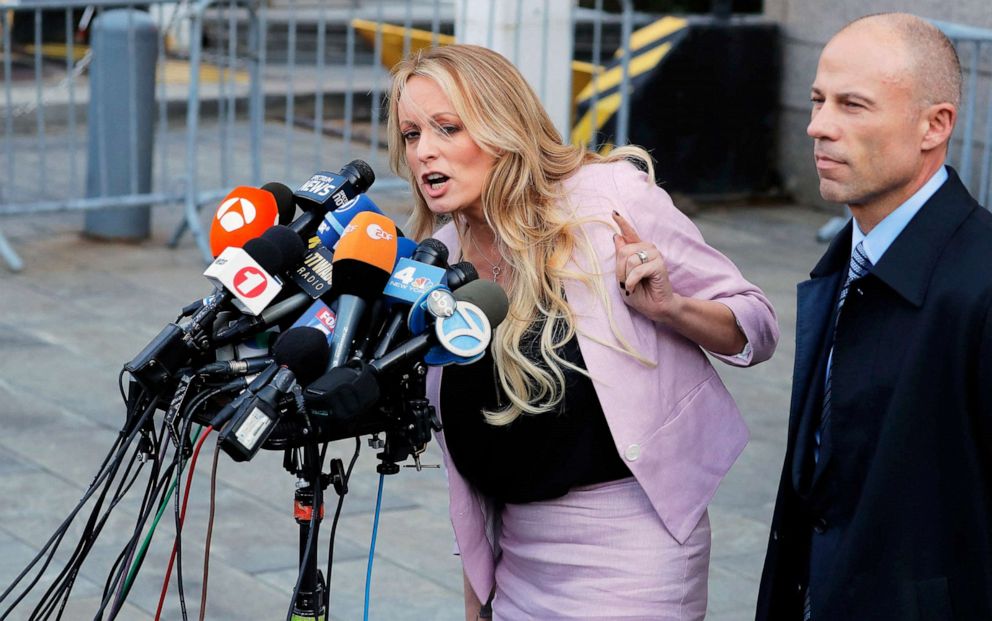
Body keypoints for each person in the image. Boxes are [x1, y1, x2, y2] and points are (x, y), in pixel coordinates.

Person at [386, 44, 779, 620]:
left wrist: (670, 307)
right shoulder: (437, 265)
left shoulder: (607, 200)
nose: (425, 152)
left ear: (503, 128)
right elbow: (469, 462)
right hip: (514, 558)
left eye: (447, 127)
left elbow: (757, 325)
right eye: (412, 135)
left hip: (632, 547)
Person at [757, 13, 992, 620]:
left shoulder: (980, 283)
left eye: (852, 105)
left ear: (934, 125)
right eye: (817, 100)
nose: (818, 126)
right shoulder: (845, 261)